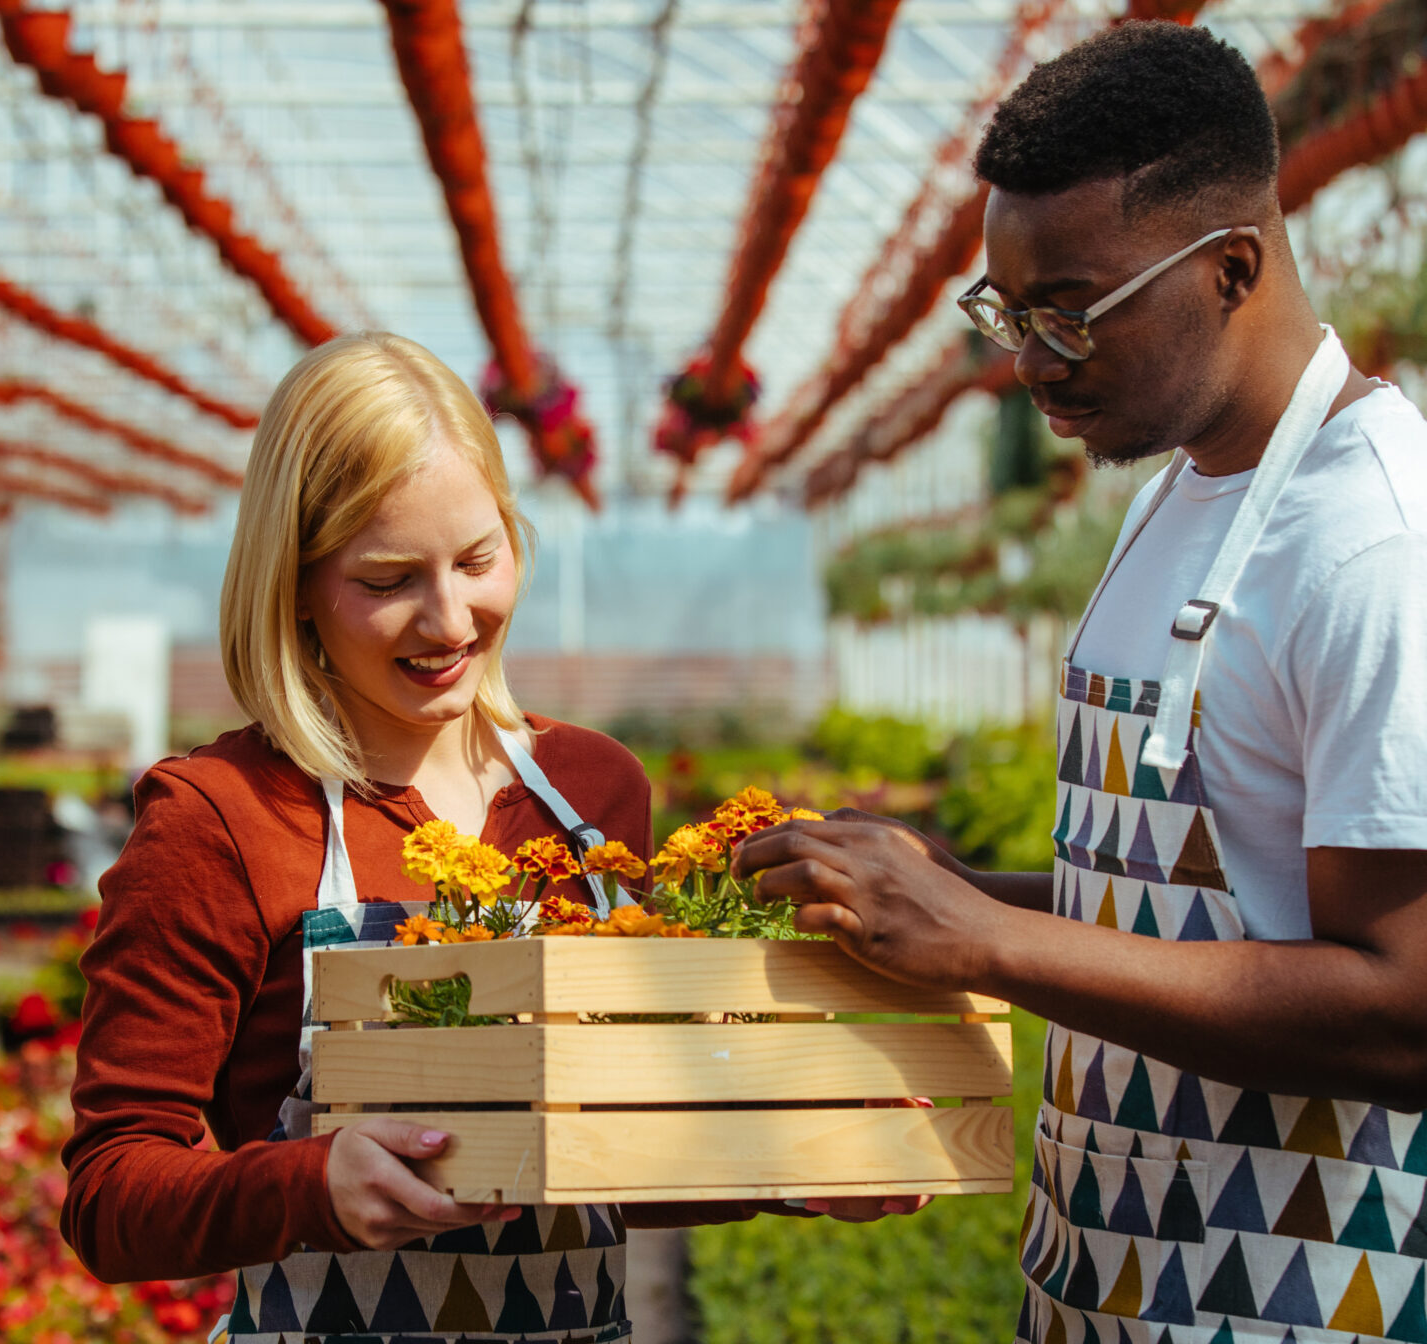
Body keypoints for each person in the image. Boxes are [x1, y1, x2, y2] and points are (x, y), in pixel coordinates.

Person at [736, 24, 1427, 1344]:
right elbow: (1201, 906)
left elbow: (1407, 1012)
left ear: (1233, 268)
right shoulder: (1176, 500)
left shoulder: (1390, 552)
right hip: (1109, 1280)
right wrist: (943, 888)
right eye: (1007, 311)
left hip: (1320, 1289)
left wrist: (987, 940)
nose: (1030, 359)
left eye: (1071, 308)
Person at [60, 332, 843, 1344]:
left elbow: (603, 1159)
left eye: (478, 559)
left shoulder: (590, 792)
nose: (448, 619)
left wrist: (811, 1167)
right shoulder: (223, 817)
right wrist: (313, 1186)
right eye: (387, 580)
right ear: (294, 585)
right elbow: (111, 1196)